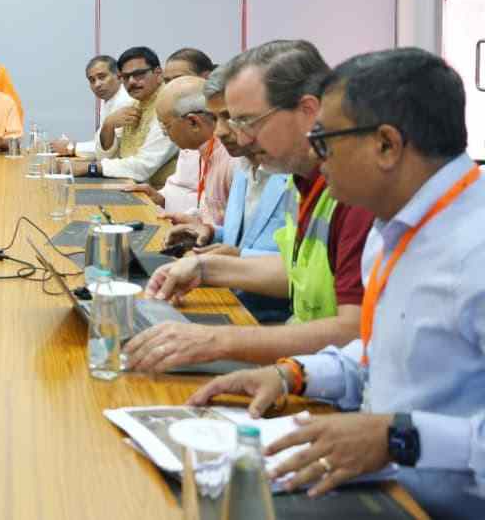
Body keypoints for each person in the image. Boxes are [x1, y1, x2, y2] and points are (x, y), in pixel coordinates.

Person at [187, 48, 485, 519]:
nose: (316, 156)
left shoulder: (474, 251)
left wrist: (397, 437)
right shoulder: (393, 232)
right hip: (382, 491)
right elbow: (381, 353)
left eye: (326, 140)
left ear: (386, 145)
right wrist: (294, 374)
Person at [124, 39, 375, 372]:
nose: (237, 138)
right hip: (307, 366)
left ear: (309, 112)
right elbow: (296, 271)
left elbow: (354, 331)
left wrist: (218, 342)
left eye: (247, 122)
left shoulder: (355, 190)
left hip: (319, 370)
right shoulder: (305, 180)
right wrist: (203, 269)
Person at [165, 62, 293, 322]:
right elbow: (248, 238)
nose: (220, 131)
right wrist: (212, 233)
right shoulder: (245, 164)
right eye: (218, 118)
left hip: (269, 321)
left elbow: (305, 268)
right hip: (231, 301)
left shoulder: (296, 173)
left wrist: (236, 258)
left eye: (234, 118)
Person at [123, 76, 233, 221]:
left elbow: (230, 226)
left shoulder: (231, 156)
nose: (165, 133)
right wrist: (161, 199)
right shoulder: (200, 148)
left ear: (193, 122)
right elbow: (207, 210)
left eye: (166, 126)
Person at [72, 46, 178, 187]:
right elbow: (106, 157)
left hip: (160, 196)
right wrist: (108, 125)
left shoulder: (168, 105)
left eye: (139, 74)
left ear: (158, 73)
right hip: (132, 187)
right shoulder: (134, 104)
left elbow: (143, 167)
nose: (132, 82)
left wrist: (90, 168)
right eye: (126, 77)